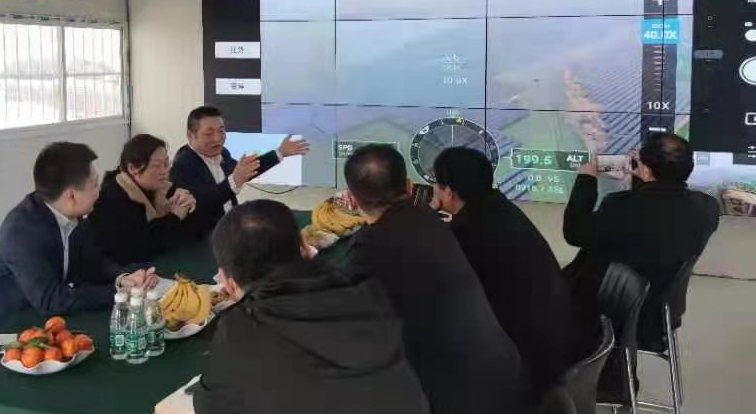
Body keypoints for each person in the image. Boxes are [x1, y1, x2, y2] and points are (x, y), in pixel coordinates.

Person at [340, 144, 528, 414]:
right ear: (408, 187)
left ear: (352, 199)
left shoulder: (369, 248)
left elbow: (340, 315)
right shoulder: (431, 219)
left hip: (460, 397)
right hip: (504, 376)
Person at [194, 200, 430, 414]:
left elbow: (208, 404)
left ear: (228, 283)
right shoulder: (365, 291)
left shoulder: (238, 333)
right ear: (305, 247)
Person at [430, 146, 584, 398]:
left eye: (437, 185)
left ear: (448, 192)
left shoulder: (470, 233)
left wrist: (425, 217)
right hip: (556, 342)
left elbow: (440, 286)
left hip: (527, 366)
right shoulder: (498, 207)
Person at [0, 142, 157, 333]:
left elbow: (93, 262)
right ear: (71, 196)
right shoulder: (22, 232)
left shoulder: (66, 212)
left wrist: (123, 279)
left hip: (38, 326)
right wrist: (118, 293)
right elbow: (52, 301)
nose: (98, 193)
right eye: (94, 186)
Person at [563, 133, 720, 348]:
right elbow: (655, 217)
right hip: (659, 320)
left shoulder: (619, 207)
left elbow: (574, 233)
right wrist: (641, 180)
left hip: (613, 318)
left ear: (645, 170)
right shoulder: (708, 207)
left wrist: (586, 179)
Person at [170, 106, 310, 236]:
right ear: (191, 136)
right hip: (207, 237)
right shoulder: (182, 166)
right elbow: (202, 203)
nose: (218, 138)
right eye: (209, 133)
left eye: (221, 131)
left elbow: (244, 171)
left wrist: (280, 153)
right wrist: (235, 180)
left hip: (232, 226)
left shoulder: (222, 152)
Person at [88, 134, 196, 265]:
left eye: (166, 163)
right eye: (156, 166)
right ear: (132, 168)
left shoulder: (158, 187)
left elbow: (190, 223)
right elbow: (141, 248)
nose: (164, 171)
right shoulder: (113, 201)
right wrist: (175, 216)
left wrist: (187, 201)